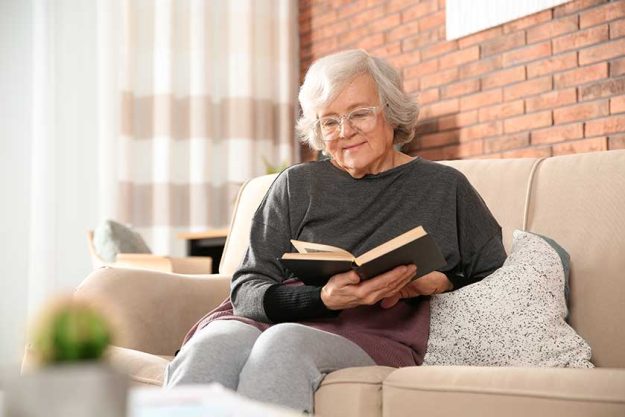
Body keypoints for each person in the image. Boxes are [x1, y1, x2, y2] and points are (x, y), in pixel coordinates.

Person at [164, 49, 507, 413]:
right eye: (329, 121)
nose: (345, 132)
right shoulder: (296, 185)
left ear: (390, 111)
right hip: (270, 317)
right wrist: (322, 299)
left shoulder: (445, 187)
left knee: (285, 344)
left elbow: (498, 279)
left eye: (359, 113)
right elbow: (247, 289)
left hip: (374, 331)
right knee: (211, 345)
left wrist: (439, 283)